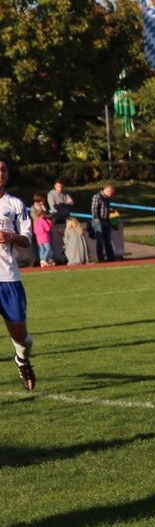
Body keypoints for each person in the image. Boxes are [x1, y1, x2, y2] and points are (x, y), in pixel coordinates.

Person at [0, 160, 37, 390]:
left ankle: (22, 360)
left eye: (3, 169)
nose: (0, 173)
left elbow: (27, 239)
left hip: (8, 279)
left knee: (21, 336)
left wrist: (10, 236)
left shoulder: (15, 204)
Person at [90, 185, 117, 262]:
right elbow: (94, 208)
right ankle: (100, 258)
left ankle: (111, 257)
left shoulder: (107, 198)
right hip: (99, 220)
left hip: (106, 220)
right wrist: (97, 218)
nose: (112, 195)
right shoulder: (97, 196)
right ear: (108, 191)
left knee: (107, 239)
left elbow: (106, 209)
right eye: (112, 193)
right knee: (100, 239)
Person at [32, 204, 53, 268]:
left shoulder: (35, 222)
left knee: (41, 249)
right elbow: (48, 229)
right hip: (45, 237)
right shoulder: (43, 221)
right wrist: (50, 223)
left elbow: (34, 230)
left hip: (39, 238)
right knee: (48, 249)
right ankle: (43, 260)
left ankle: (42, 261)